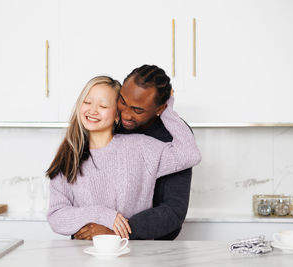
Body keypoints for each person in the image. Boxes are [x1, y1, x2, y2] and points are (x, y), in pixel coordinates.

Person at [46, 75, 201, 238]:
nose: (92, 110)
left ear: (117, 115)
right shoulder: (68, 157)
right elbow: (56, 216)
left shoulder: (141, 147)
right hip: (84, 256)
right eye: (87, 102)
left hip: (134, 255)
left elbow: (189, 154)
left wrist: (165, 108)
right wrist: (101, 214)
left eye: (103, 106)